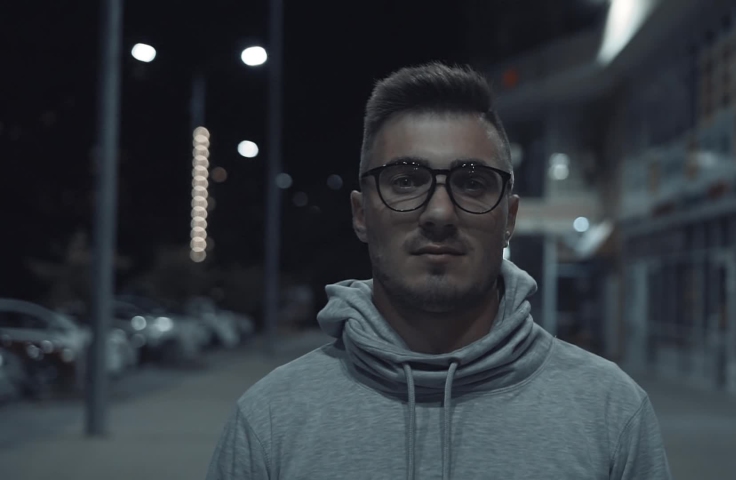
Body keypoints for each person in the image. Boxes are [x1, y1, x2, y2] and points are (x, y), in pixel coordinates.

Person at [205, 62, 672, 480]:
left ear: (509, 218)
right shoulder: (271, 420)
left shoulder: (610, 412)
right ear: (362, 214)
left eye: (471, 183)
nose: (440, 213)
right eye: (406, 181)